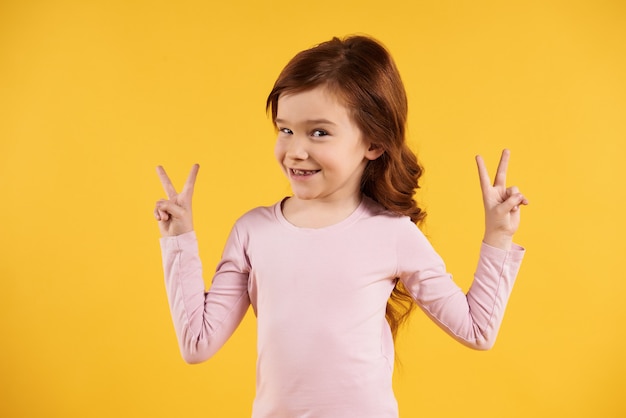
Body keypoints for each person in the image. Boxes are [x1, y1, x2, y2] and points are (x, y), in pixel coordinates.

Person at [153, 35, 527, 418]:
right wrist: (178, 239)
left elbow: (477, 330)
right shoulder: (253, 232)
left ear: (374, 143)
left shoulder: (392, 233)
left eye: (319, 132)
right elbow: (197, 343)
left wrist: (499, 235)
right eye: (285, 129)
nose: (296, 150)